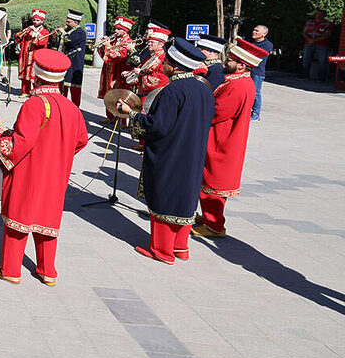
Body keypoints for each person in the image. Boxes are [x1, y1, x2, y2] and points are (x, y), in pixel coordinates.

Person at [0, 49, 89, 286]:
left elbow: (20, 143)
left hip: (29, 171)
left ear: (36, 76)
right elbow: (81, 140)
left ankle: (10, 269)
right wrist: (59, 155)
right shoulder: (71, 107)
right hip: (57, 174)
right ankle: (47, 271)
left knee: (19, 215)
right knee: (48, 218)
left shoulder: (35, 104)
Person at [115, 38, 215, 265]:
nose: (163, 65)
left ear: (176, 65)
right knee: (185, 197)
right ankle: (180, 246)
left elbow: (156, 126)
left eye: (167, 62)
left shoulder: (172, 91)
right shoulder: (204, 88)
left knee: (165, 195)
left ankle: (162, 250)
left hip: (171, 152)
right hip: (194, 151)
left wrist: (131, 114)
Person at [194, 38, 269, 239]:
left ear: (242, 65)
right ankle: (210, 219)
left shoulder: (238, 85)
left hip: (223, 139)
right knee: (210, 180)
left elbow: (218, 111)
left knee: (213, 183)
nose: (225, 61)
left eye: (231, 60)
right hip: (223, 137)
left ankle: (214, 226)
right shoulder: (238, 81)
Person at [96, 17, 136, 121]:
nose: (115, 31)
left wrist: (108, 46)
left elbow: (119, 57)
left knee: (119, 95)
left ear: (125, 30)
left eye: (118, 29)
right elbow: (105, 56)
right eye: (115, 28)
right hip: (109, 71)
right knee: (109, 95)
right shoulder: (115, 40)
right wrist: (101, 46)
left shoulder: (128, 42)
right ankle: (110, 117)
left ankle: (121, 120)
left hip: (119, 73)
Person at [124, 23, 170, 97]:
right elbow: (141, 68)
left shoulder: (162, 57)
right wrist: (130, 73)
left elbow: (162, 79)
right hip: (144, 92)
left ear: (161, 45)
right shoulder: (151, 55)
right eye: (148, 42)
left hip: (152, 95)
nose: (149, 44)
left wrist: (141, 74)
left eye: (152, 42)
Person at [14, 9, 50, 95]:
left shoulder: (45, 31)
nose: (35, 22)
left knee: (35, 73)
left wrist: (36, 34)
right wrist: (24, 32)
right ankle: (25, 91)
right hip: (25, 54)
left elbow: (42, 42)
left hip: (37, 55)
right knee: (25, 71)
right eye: (34, 20)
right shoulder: (28, 29)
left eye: (38, 20)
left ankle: (36, 91)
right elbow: (18, 37)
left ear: (42, 21)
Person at [62, 9, 86, 107]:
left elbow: (70, 41)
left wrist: (63, 33)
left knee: (74, 85)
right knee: (64, 84)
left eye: (68, 22)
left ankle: (75, 107)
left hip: (75, 62)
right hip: (66, 60)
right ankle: (63, 104)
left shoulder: (80, 32)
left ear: (75, 22)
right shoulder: (70, 31)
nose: (66, 23)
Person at [249, 24, 273, 121]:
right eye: (254, 30)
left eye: (257, 31)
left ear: (264, 34)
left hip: (257, 72)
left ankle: (256, 114)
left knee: (255, 93)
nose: (254, 32)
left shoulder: (267, 45)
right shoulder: (251, 43)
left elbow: (257, 55)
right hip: (248, 70)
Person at [301, 9, 330, 81]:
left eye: (320, 14)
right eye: (317, 14)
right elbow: (304, 32)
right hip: (308, 43)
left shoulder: (327, 24)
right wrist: (309, 39)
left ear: (324, 16)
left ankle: (321, 77)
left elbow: (327, 35)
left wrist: (314, 41)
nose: (318, 16)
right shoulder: (309, 22)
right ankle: (304, 75)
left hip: (321, 45)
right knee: (306, 60)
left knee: (322, 61)